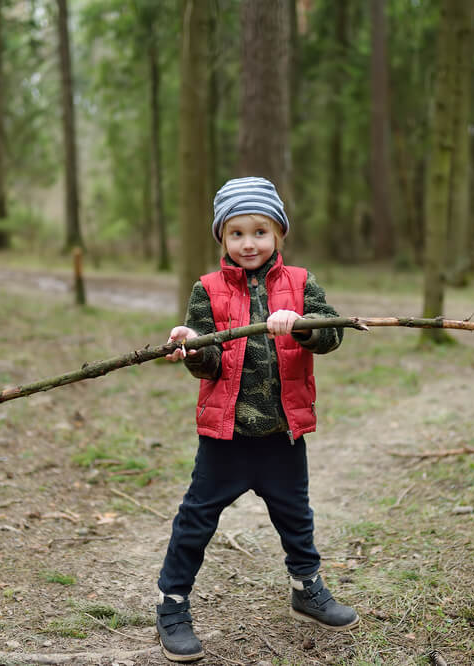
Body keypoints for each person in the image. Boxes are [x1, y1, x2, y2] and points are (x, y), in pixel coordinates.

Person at [155, 176, 359, 662]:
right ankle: (172, 603)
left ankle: (306, 588)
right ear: (222, 239)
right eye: (237, 233)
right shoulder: (206, 289)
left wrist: (304, 326)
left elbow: (332, 337)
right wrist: (190, 346)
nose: (250, 243)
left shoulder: (302, 283)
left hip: (281, 434)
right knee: (196, 519)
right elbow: (208, 364)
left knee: (295, 515)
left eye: (260, 231)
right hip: (226, 437)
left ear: (279, 235)